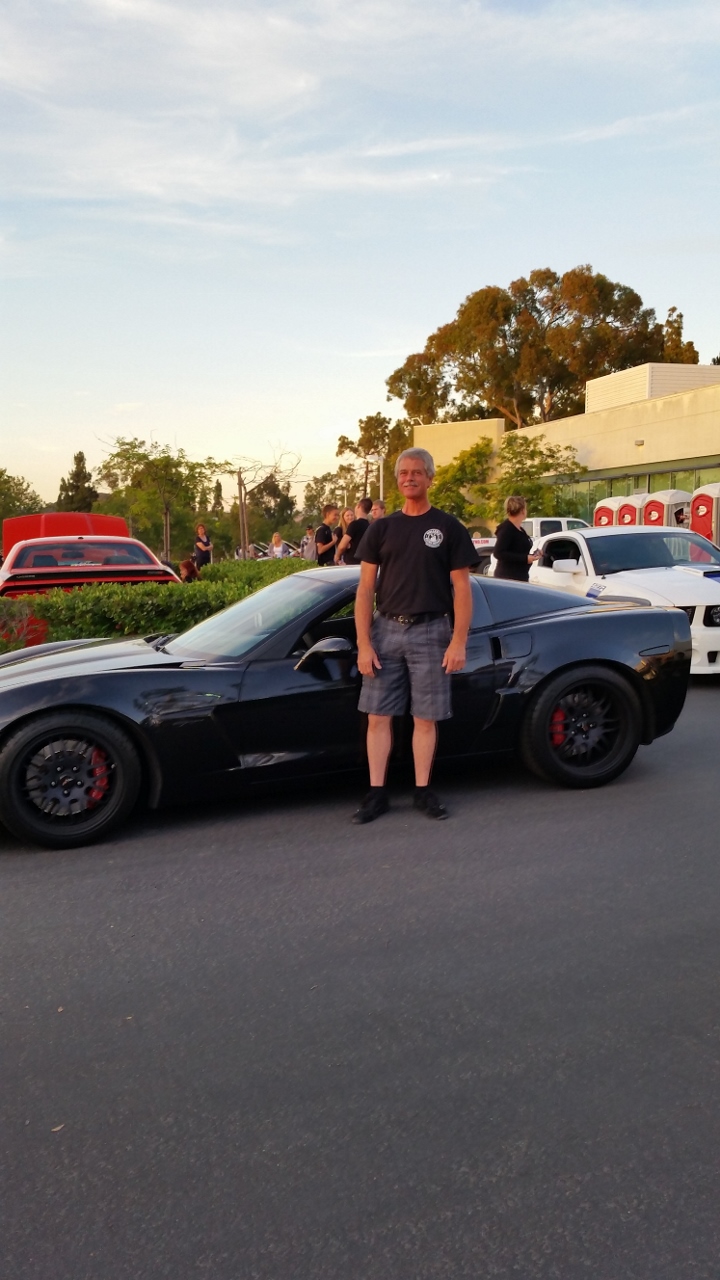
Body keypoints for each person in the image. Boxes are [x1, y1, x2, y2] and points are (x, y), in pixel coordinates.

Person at [352, 448, 479, 824]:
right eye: (404, 472)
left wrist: (458, 641)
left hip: (431, 631)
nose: (410, 478)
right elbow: (364, 589)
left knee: (425, 718)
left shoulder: (449, 528)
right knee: (378, 717)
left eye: (417, 472)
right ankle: (377, 794)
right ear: (397, 479)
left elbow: (462, 590)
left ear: (429, 478)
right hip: (385, 630)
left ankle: (423, 792)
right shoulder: (381, 529)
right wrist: (363, 642)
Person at [492, 497, 541, 581]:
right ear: (522, 510)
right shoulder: (507, 529)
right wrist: (524, 558)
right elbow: (498, 553)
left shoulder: (520, 529)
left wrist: (533, 555)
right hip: (508, 577)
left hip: (520, 576)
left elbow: (518, 550)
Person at [335, 497, 373, 564]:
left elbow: (342, 545)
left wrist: (337, 556)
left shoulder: (354, 525)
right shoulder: (369, 525)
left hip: (352, 562)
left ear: (358, 506)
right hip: (365, 562)